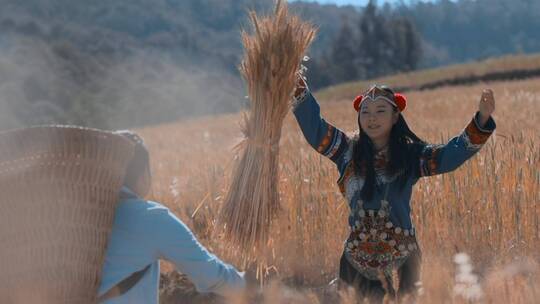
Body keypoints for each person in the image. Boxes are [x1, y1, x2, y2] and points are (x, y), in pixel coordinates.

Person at [292, 76, 496, 302]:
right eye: (365, 112)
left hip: (403, 259)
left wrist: (482, 120)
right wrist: (299, 91)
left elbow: (449, 156)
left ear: (395, 116)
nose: (371, 118)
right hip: (356, 260)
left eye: (380, 111)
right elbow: (316, 131)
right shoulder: (346, 150)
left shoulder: (409, 156)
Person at [97, 130, 245, 303]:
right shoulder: (152, 218)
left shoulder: (84, 219)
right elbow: (211, 274)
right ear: (143, 174)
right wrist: (249, 285)